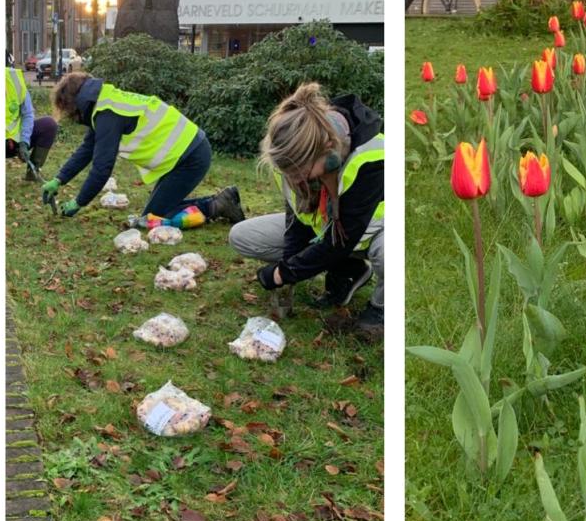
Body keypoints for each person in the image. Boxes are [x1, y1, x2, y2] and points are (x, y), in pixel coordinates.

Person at [228, 82, 384, 339]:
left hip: (370, 234)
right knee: (242, 236)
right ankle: (348, 272)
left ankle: (380, 310)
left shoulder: (372, 158)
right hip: (326, 232)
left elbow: (341, 239)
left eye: (302, 172)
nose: (295, 180)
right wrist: (290, 272)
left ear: (327, 151)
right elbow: (296, 222)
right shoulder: (289, 166)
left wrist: (281, 273)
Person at [41, 72, 245, 225]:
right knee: (157, 211)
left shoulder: (107, 114)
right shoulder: (106, 103)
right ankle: (222, 200)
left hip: (191, 157)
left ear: (75, 104)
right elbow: (87, 149)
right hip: (185, 153)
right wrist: (59, 179)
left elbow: (102, 167)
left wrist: (79, 202)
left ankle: (216, 206)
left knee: (153, 218)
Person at [5, 58, 58, 179]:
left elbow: (27, 114)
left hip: (14, 141)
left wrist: (24, 141)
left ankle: (33, 172)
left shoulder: (14, 80)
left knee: (48, 125)